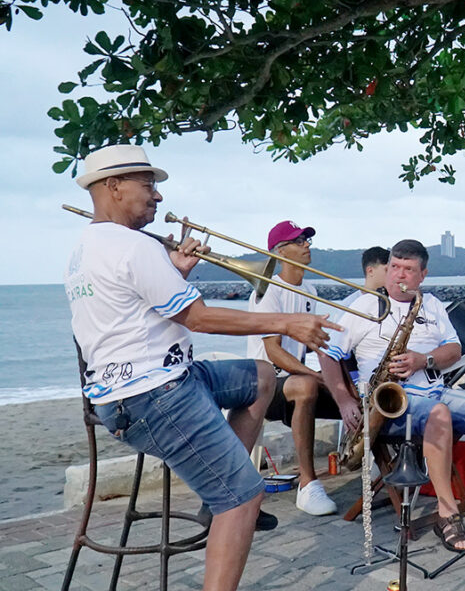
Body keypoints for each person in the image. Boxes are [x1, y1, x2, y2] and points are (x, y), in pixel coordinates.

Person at [65, 145, 340, 591]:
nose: (157, 196)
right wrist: (286, 321)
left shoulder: (84, 248)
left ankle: (218, 500)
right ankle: (231, 499)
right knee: (246, 496)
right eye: (148, 185)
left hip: (137, 388)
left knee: (261, 376)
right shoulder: (135, 246)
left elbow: (132, 313)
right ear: (113, 186)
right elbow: (198, 318)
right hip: (154, 395)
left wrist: (175, 271)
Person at [319, 239, 465, 553]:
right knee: (439, 414)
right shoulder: (364, 307)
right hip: (388, 407)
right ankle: (447, 512)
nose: (398, 275)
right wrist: (344, 400)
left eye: (408, 269)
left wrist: (424, 360)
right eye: (394, 267)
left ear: (423, 274)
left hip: (435, 392)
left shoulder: (430, 304)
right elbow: (327, 353)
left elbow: (454, 350)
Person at [247, 220, 339, 516]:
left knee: (358, 390)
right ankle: (307, 485)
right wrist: (314, 375)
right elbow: (273, 351)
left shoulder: (310, 289)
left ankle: (375, 468)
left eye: (307, 240)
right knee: (307, 385)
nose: (307, 245)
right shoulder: (268, 290)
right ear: (280, 251)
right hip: (265, 383)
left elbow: (312, 344)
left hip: (293, 377)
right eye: (298, 241)